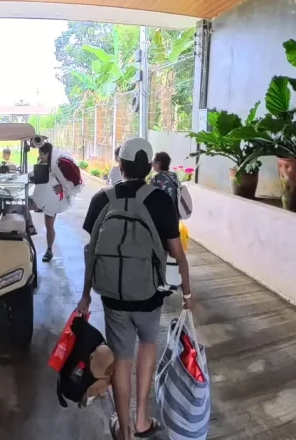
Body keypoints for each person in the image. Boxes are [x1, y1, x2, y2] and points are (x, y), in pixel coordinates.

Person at [78, 138, 193, 440]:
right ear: (149, 167)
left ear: (121, 165)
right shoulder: (160, 200)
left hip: (112, 295)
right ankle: (142, 420)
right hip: (149, 294)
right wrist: (187, 293)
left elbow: (92, 251)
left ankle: (124, 429)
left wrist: (86, 295)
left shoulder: (102, 198)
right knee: (147, 345)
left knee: (122, 358)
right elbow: (178, 254)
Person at [31, 142, 84, 262]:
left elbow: (66, 184)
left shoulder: (54, 167)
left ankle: (49, 250)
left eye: (41, 154)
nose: (39, 156)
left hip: (52, 200)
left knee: (49, 226)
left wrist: (62, 188)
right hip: (44, 197)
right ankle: (48, 248)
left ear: (47, 154)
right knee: (47, 224)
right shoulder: (42, 164)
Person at [149, 151, 181, 216]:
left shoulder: (156, 179)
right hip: (175, 212)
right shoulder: (174, 175)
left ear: (159, 164)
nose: (152, 165)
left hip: (163, 214)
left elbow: (150, 198)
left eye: (154, 162)